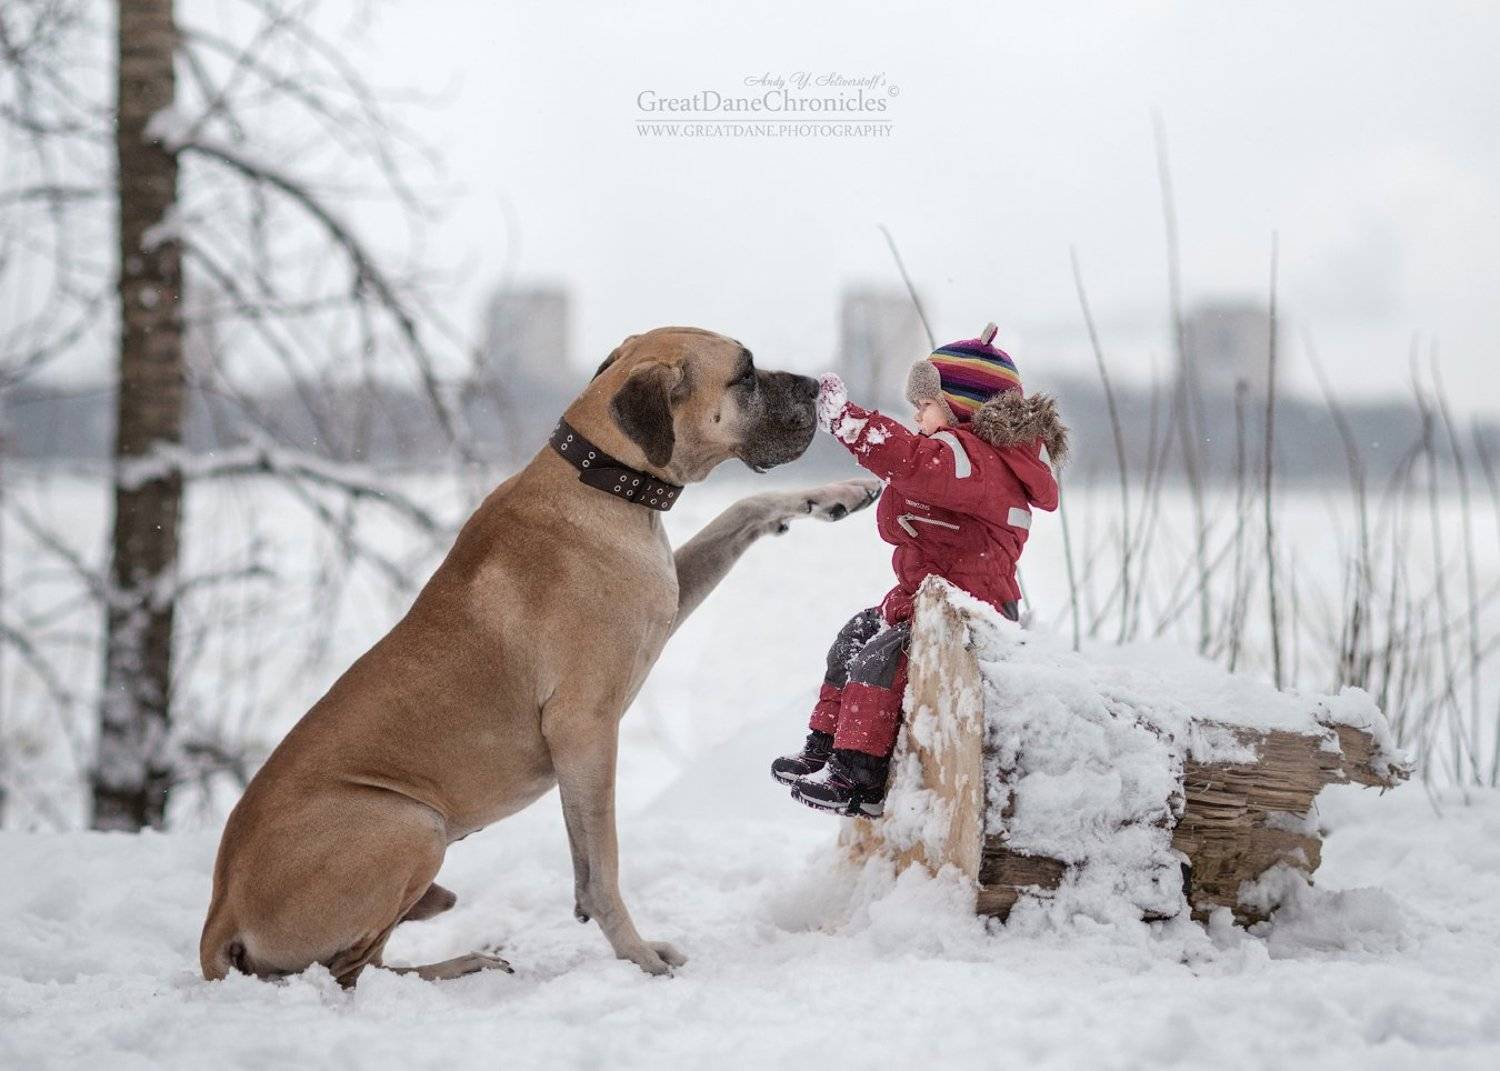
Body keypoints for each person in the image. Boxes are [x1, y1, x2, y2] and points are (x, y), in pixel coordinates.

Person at [773, 323, 1069, 817]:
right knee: (855, 638)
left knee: (881, 658)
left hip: (969, 610)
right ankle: (824, 746)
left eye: (926, 403)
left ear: (962, 409)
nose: (916, 414)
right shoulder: (963, 457)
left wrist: (847, 420)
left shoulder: (976, 460)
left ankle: (858, 778)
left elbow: (909, 461)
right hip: (928, 597)